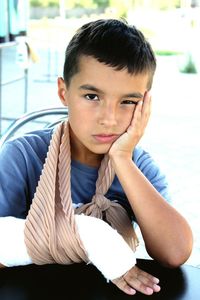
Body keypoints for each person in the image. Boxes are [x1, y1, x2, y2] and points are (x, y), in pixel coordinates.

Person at [0, 18, 193, 296]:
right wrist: (90, 236)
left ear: (145, 106)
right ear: (63, 92)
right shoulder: (23, 157)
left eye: (128, 101)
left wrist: (123, 160)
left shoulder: (138, 166)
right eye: (92, 96)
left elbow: (174, 254)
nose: (109, 119)